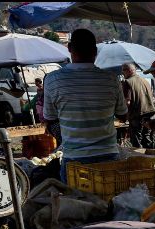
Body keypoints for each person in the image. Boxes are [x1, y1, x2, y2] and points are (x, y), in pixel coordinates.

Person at [42, 29, 127, 183]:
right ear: (95, 51)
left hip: (75, 159)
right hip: (108, 157)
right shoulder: (112, 80)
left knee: (77, 202)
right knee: (110, 204)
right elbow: (123, 115)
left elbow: (49, 118)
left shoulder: (53, 80)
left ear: (69, 48)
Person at [121, 62, 155, 149]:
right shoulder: (145, 81)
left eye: (123, 70)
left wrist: (124, 116)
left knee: (136, 142)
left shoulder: (127, 82)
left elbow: (127, 102)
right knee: (147, 139)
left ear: (129, 70)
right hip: (150, 114)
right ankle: (150, 161)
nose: (122, 73)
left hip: (137, 115)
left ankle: (140, 161)